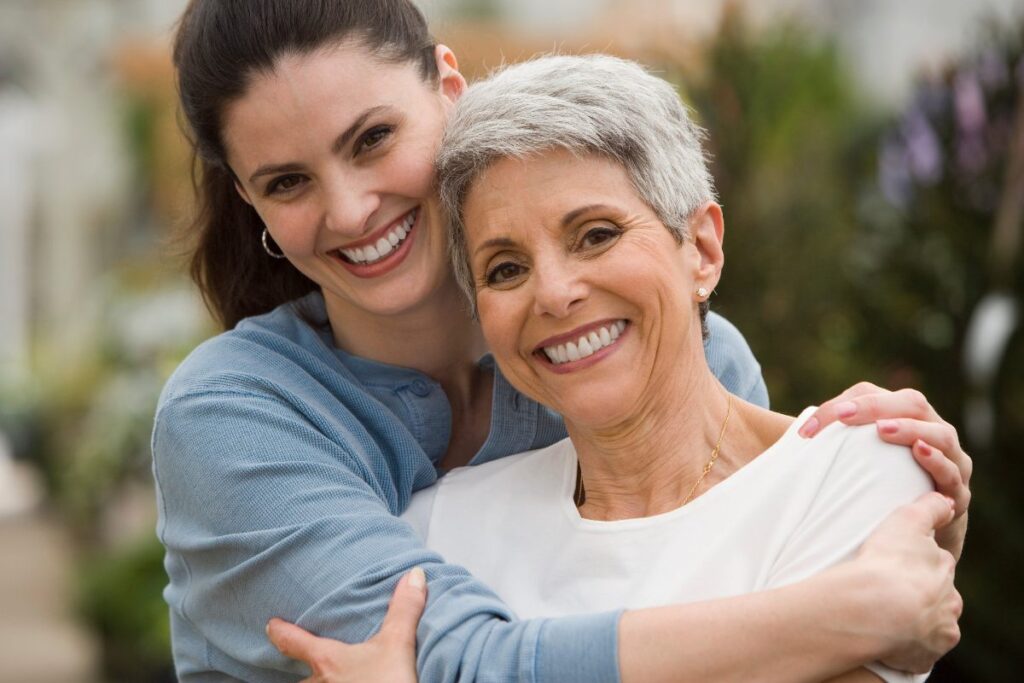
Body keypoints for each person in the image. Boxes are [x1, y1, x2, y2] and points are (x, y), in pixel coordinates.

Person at [158, 1, 971, 681]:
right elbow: (465, 662)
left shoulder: (685, 354)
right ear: (249, 198)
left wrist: (875, 494)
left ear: (449, 90)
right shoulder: (232, 417)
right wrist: (855, 609)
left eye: (372, 139)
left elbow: (731, 580)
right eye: (287, 182)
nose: (348, 210)